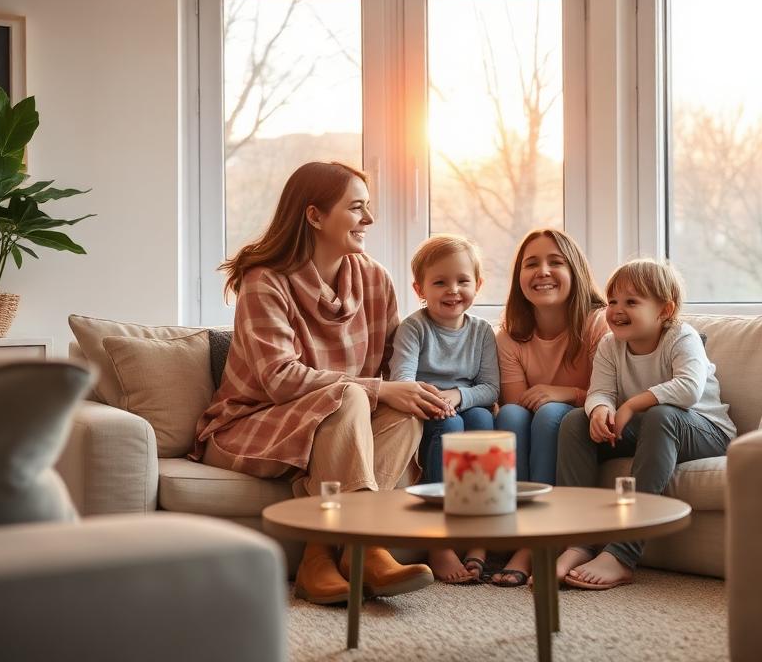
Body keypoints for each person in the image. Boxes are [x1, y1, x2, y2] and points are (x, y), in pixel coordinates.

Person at [191, 161, 448, 605]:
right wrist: (376, 390)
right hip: (252, 425)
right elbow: (278, 379)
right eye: (356, 208)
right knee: (350, 395)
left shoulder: (375, 279)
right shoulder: (264, 281)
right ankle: (363, 548)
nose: (369, 220)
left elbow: (392, 368)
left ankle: (326, 554)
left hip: (337, 427)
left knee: (404, 411)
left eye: (368, 208)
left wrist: (422, 392)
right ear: (314, 215)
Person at [554, 258, 736, 590]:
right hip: (652, 430)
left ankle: (622, 554)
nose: (617, 310)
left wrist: (632, 404)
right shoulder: (611, 344)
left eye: (631, 302)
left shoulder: (682, 336)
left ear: (664, 310)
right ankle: (578, 541)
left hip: (706, 432)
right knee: (574, 421)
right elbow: (600, 391)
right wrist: (599, 411)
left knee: (660, 414)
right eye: (612, 301)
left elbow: (688, 389)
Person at [492, 228, 609, 586]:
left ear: (574, 271)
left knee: (551, 413)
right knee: (509, 414)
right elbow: (516, 405)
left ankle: (536, 541)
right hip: (537, 423)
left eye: (555, 262)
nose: (542, 271)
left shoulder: (597, 323)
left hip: (582, 427)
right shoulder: (509, 336)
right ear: (519, 279)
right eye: (531, 264)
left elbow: (610, 391)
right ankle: (514, 530)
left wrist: (565, 393)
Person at [389, 234, 499, 584]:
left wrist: (458, 396)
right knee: (451, 430)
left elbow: (491, 388)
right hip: (426, 410)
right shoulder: (414, 328)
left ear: (477, 285)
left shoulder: (482, 331)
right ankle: (436, 537)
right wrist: (439, 400)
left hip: (463, 405)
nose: (453, 290)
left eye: (463, 281)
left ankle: (477, 533)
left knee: (482, 419)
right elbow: (403, 380)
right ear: (420, 288)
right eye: (440, 282)